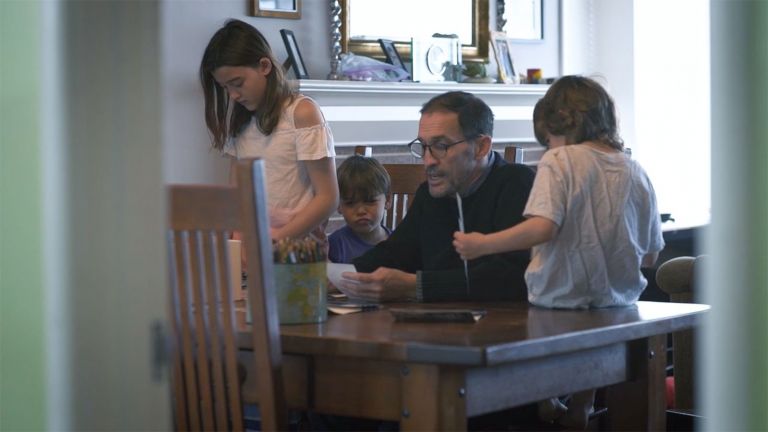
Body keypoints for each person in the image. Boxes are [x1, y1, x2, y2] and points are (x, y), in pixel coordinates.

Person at [453, 75, 665, 429]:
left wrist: (482, 244)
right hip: (618, 307)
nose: (548, 147)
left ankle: (546, 398)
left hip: (560, 302)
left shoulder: (561, 160)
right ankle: (581, 405)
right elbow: (650, 257)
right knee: (590, 342)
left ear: (559, 123)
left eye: (547, 139)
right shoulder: (635, 170)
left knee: (521, 326)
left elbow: (543, 227)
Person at [338, 91, 536, 302]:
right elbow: (395, 253)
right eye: (423, 147)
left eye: (441, 146)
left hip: (503, 328)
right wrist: (338, 276)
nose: (428, 160)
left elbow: (511, 277)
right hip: (434, 326)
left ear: (481, 147)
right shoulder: (430, 193)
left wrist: (415, 287)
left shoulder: (516, 183)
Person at [200, 19, 338, 243]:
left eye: (237, 83)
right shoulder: (240, 121)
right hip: (248, 247)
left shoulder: (302, 112)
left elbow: (328, 198)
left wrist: (273, 242)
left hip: (294, 250)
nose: (233, 95)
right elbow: (236, 193)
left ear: (264, 66)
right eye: (226, 87)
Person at [328, 155, 392, 264]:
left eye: (370, 201)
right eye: (350, 203)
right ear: (338, 205)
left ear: (387, 200)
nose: (361, 211)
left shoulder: (399, 244)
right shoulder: (335, 245)